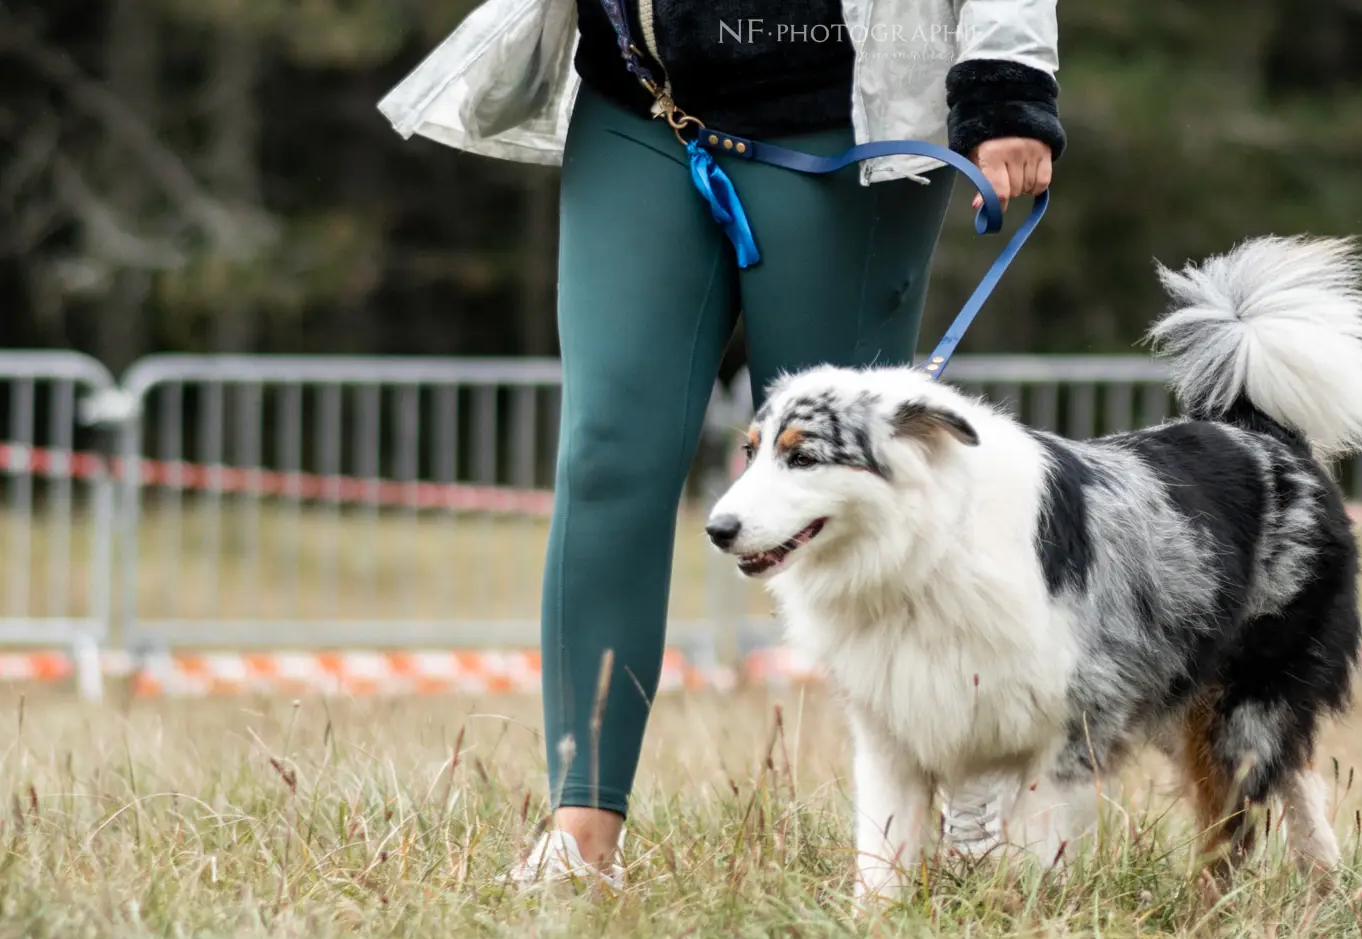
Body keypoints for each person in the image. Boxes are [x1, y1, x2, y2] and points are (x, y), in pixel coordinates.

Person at [381, 0, 1063, 886]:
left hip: (836, 109)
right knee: (606, 455)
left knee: (872, 482)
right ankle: (581, 830)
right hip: (643, 109)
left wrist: (1008, 91)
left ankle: (968, 777)